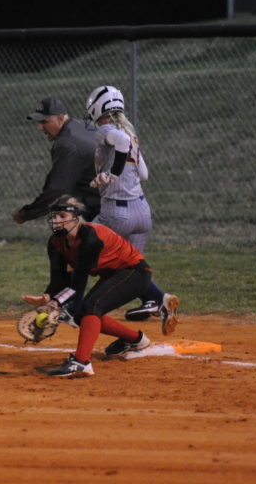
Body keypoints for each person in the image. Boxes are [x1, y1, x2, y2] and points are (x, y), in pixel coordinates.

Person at [21, 195, 156, 378]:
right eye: (54, 216)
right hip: (112, 274)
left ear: (76, 218)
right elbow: (59, 279)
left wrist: (56, 303)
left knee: (91, 306)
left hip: (134, 273)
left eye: (62, 216)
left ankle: (81, 363)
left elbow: (77, 284)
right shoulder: (56, 243)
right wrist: (47, 297)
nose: (56, 220)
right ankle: (136, 340)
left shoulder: (91, 239)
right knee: (81, 314)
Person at [85, 85, 178, 334]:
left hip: (117, 212)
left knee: (79, 247)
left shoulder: (107, 130)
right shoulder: (129, 132)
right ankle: (161, 301)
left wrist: (113, 172)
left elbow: (121, 143)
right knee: (131, 271)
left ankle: (68, 307)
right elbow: (143, 174)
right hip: (142, 211)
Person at [12, 97, 100, 224]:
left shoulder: (67, 143)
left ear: (60, 118)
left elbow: (56, 191)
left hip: (106, 210)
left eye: (44, 121)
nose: (40, 127)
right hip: (120, 200)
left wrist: (25, 214)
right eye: (38, 122)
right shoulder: (83, 126)